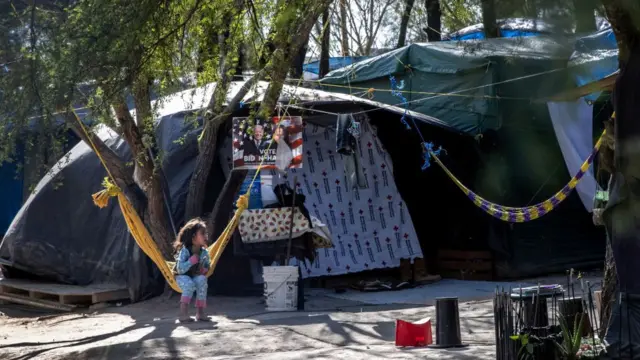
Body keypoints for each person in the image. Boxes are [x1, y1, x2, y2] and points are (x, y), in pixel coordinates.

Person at [173, 218, 211, 322]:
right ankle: (183, 313)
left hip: (193, 276)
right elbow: (180, 269)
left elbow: (208, 265)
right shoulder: (185, 250)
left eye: (205, 233)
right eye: (202, 233)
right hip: (181, 277)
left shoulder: (204, 252)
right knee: (189, 284)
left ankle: (200, 313)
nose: (205, 235)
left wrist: (204, 269)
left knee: (202, 280)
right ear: (193, 237)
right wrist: (190, 261)